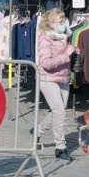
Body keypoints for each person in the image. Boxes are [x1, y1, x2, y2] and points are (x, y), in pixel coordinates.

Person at [36, 8, 75, 160]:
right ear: (51, 24)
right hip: (48, 79)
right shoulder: (45, 38)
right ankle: (60, 147)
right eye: (60, 21)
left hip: (63, 78)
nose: (64, 23)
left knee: (57, 111)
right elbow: (46, 63)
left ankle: (38, 132)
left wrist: (74, 51)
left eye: (64, 19)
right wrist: (66, 55)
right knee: (59, 111)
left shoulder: (65, 36)